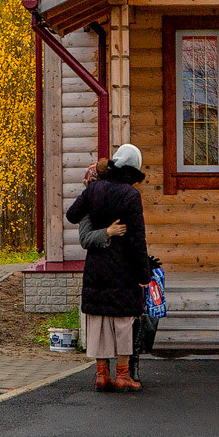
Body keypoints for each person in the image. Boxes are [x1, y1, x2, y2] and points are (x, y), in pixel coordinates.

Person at [66, 142, 149, 393]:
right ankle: (122, 375)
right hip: (122, 265)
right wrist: (144, 273)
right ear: (133, 169)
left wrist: (96, 219)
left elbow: (72, 215)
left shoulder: (94, 190)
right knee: (123, 320)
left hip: (97, 265)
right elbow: (137, 239)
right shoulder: (131, 195)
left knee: (99, 319)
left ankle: (101, 374)